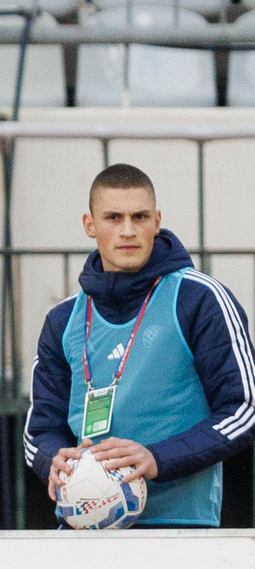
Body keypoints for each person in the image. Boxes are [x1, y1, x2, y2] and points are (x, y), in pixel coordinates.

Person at [25, 164, 255, 526]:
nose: (128, 230)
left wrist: (157, 459)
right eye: (113, 217)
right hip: (83, 532)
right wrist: (53, 459)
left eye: (140, 216)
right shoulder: (62, 319)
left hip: (181, 530)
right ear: (90, 225)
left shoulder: (199, 299)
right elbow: (41, 431)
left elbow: (244, 409)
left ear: (157, 221)